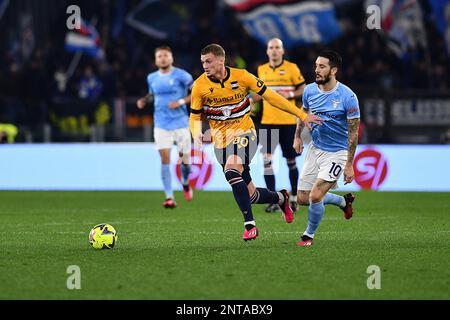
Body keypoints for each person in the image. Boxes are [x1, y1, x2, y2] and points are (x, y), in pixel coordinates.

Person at [189, 44, 323, 241]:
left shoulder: (242, 76)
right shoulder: (199, 86)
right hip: (220, 142)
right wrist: (195, 134)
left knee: (231, 171)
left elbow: (272, 97)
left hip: (245, 133)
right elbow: (194, 117)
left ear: (220, 60)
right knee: (251, 195)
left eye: (208, 61)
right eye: (202, 62)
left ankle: (249, 225)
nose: (205, 66)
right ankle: (281, 198)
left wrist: (302, 115)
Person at [293, 50, 359, 247]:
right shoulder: (309, 91)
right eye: (316, 66)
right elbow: (303, 114)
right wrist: (297, 137)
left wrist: (349, 164)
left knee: (315, 196)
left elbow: (353, 132)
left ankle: (308, 236)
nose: (317, 70)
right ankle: (342, 202)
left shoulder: (348, 97)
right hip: (315, 148)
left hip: (337, 153)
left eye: (322, 66)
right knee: (303, 198)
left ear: (334, 70)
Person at [253, 38, 306, 213]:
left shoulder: (292, 68)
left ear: (282, 51)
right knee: (267, 161)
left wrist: (289, 92)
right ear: (267, 51)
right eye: (271, 48)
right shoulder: (261, 70)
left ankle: (293, 198)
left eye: (277, 48)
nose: (274, 51)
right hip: (268, 122)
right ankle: (274, 200)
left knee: (290, 161)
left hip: (289, 122)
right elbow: (257, 94)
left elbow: (303, 89)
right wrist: (253, 100)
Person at [137, 46, 194, 209]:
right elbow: (152, 94)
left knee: (185, 161)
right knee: (165, 159)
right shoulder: (152, 78)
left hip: (181, 122)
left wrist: (181, 102)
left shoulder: (182, 75)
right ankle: (169, 197)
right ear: (156, 60)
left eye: (166, 55)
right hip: (161, 124)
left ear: (171, 58)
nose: (162, 58)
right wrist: (144, 100)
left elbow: (197, 92)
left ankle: (185, 182)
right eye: (159, 56)